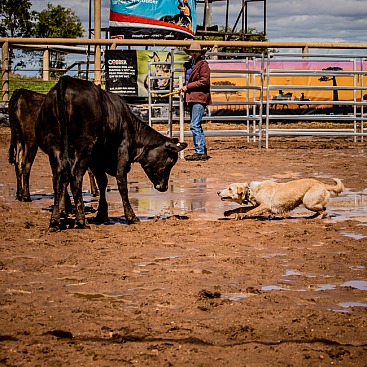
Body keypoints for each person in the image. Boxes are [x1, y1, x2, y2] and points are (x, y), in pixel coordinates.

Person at [178, 41, 211, 161]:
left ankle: (200, 151)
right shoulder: (190, 64)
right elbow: (188, 81)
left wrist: (187, 87)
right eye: (192, 52)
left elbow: (204, 81)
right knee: (196, 125)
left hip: (199, 97)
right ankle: (201, 150)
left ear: (199, 53)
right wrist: (183, 86)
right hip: (192, 97)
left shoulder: (203, 65)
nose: (194, 54)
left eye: (196, 52)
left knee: (194, 125)